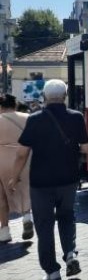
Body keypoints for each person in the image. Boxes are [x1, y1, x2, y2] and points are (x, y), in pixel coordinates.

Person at [7, 80, 88, 280]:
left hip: (41, 181)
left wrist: (15, 177)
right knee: (67, 217)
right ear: (65, 95)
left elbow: (21, 153)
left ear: (44, 96)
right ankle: (70, 253)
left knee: (44, 225)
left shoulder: (35, 119)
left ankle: (52, 273)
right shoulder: (77, 117)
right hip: (69, 179)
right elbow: (87, 148)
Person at [0, 94, 33, 243]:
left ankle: (5, 230)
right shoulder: (28, 118)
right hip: (25, 157)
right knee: (25, 189)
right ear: (15, 105)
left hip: (2, 160)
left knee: (1, 196)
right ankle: (27, 217)